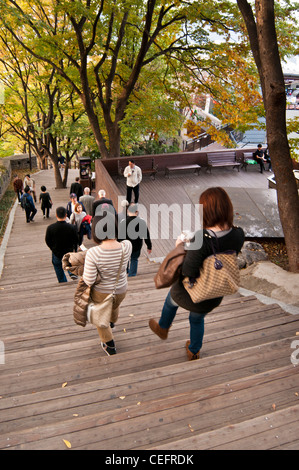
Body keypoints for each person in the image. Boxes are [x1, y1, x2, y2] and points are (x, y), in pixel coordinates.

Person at [149, 187, 245, 361]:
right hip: (216, 290)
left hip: (194, 291)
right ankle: (194, 351)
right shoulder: (238, 234)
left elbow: (188, 270)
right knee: (197, 319)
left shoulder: (202, 238)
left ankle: (163, 327)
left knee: (171, 299)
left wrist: (180, 245)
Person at [82, 208, 132, 356]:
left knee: (100, 318)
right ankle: (112, 321)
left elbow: (89, 280)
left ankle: (109, 344)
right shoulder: (127, 246)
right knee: (114, 304)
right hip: (121, 289)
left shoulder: (93, 253)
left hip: (102, 292)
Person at [45, 206, 79, 283]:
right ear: (66, 215)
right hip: (68, 251)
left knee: (57, 266)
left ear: (56, 215)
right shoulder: (71, 227)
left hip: (56, 251)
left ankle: (62, 281)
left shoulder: (50, 228)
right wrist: (74, 249)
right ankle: (72, 272)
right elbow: (76, 240)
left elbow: (47, 240)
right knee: (69, 262)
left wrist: (52, 248)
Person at [118, 203, 152, 277]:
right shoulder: (141, 222)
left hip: (125, 246)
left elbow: (119, 236)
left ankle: (126, 271)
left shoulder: (123, 222)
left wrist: (118, 244)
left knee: (125, 259)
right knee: (134, 259)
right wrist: (149, 246)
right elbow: (146, 235)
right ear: (137, 211)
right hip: (137, 246)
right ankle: (132, 275)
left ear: (127, 210)